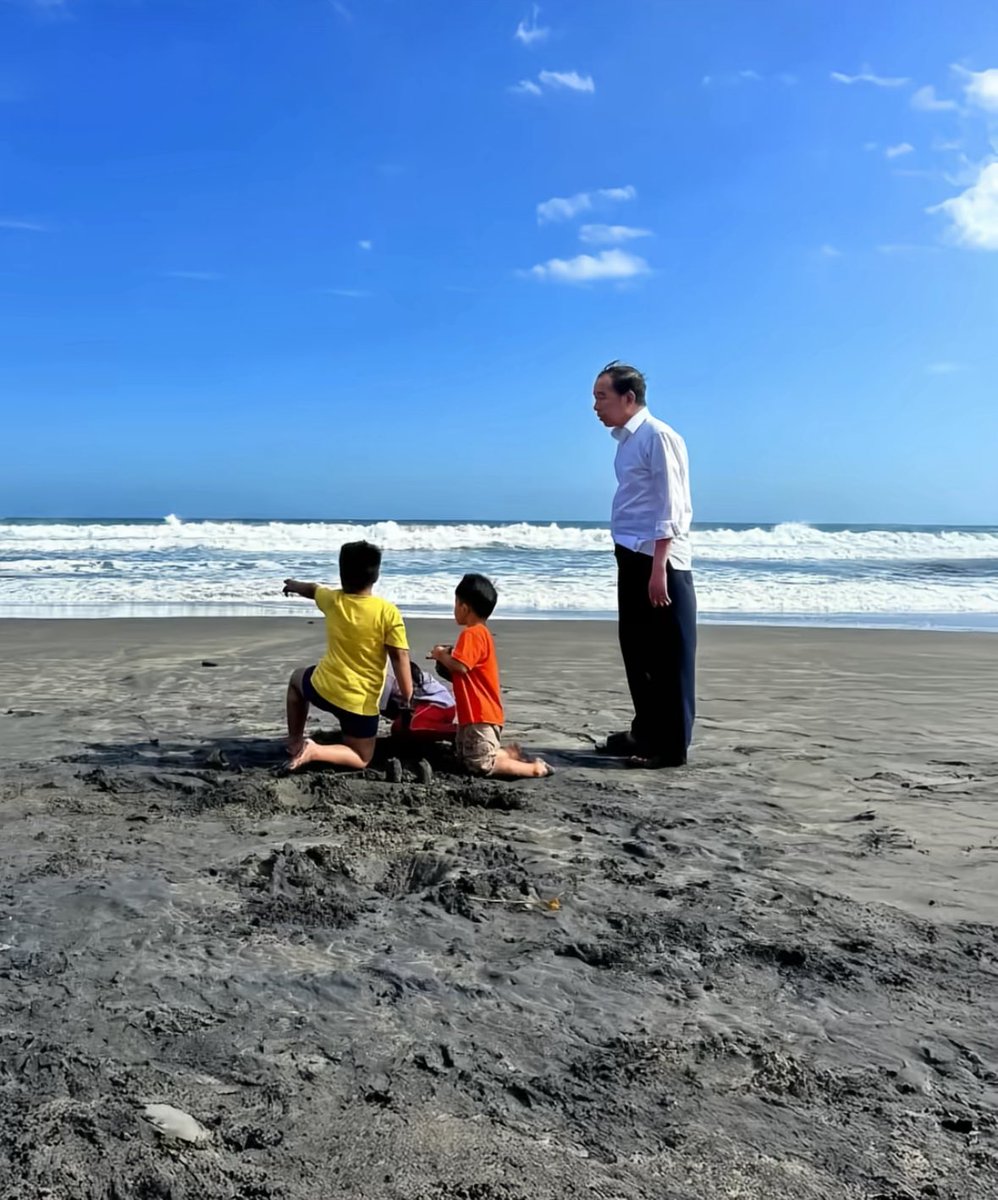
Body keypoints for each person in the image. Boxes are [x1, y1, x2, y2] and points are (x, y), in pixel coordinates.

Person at [592, 360, 696, 768]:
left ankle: (670, 748)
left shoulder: (658, 436)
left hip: (659, 560)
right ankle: (646, 732)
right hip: (632, 553)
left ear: (628, 397)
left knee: (669, 656)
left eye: (602, 397)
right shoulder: (626, 441)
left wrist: (658, 568)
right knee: (637, 651)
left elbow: (672, 506)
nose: (596, 406)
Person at [282, 540, 413, 771]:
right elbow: (399, 655)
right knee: (361, 757)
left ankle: (295, 741)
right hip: (359, 703)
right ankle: (314, 750)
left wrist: (293, 585)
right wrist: (407, 693)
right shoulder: (387, 612)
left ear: (342, 574)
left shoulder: (333, 600)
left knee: (296, 680)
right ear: (376, 575)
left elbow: (312, 589)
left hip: (324, 688)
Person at [428, 573, 552, 779]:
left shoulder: (472, 634)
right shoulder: (480, 634)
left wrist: (440, 654)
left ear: (464, 608)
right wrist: (445, 657)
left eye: (456, 603)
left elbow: (461, 667)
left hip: (480, 714)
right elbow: (466, 672)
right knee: (466, 756)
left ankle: (534, 769)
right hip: (474, 715)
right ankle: (507, 754)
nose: (454, 608)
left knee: (481, 764)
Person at [380, 658, 457, 739]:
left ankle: (456, 731)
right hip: (417, 706)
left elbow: (380, 707)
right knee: (397, 729)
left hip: (439, 703)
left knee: (416, 726)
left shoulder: (387, 673)